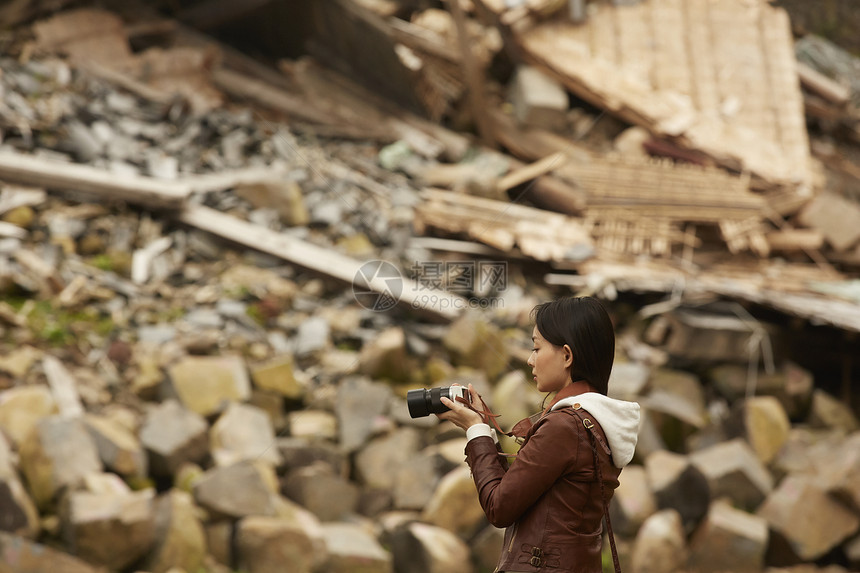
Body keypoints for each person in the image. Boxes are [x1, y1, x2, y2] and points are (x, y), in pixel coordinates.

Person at [437, 296, 640, 573]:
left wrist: (474, 431)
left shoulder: (564, 427)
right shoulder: (595, 421)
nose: (530, 360)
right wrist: (485, 429)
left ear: (567, 355)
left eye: (536, 347)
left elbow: (499, 507)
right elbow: (521, 491)